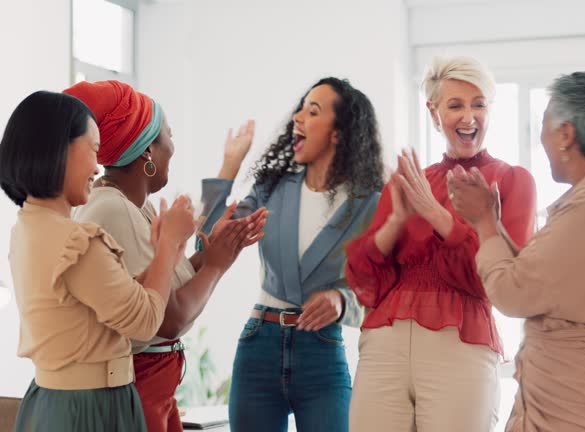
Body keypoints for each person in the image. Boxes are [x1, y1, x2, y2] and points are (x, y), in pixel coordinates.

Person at [449, 71, 585, 432]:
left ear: (566, 134)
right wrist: (494, 223)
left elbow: (514, 293)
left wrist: (483, 223)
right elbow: (536, 278)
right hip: (566, 392)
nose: (540, 138)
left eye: (543, 125)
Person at [345, 56, 536, 432]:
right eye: (455, 105)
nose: (469, 117)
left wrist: (436, 215)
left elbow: (502, 280)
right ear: (434, 113)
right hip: (385, 344)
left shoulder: (512, 181)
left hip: (461, 343)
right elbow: (367, 281)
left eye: (478, 104)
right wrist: (398, 219)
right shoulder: (410, 180)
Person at [63, 80, 267, 432]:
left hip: (153, 386)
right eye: (168, 135)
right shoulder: (114, 210)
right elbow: (166, 318)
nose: (174, 146)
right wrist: (217, 264)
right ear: (147, 152)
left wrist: (210, 257)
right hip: (137, 386)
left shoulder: (127, 205)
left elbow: (165, 282)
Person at [0, 90, 197, 431]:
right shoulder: (77, 242)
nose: (97, 166)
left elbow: (108, 300)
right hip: (90, 406)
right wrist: (167, 247)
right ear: (60, 150)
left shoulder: (28, 228)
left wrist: (169, 252)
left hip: (52, 398)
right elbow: (147, 320)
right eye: (92, 150)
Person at [199, 77, 384, 432]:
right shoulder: (271, 187)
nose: (297, 117)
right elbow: (206, 239)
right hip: (259, 346)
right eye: (300, 108)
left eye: (312, 111)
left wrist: (342, 301)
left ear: (339, 133)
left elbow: (382, 288)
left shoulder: (369, 203)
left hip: (322, 352)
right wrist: (229, 166)